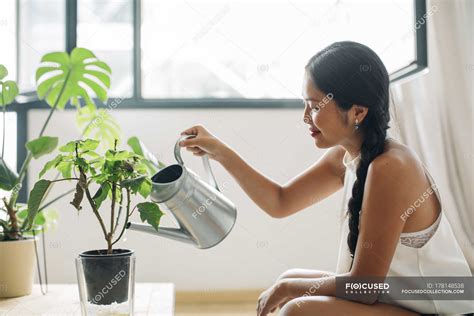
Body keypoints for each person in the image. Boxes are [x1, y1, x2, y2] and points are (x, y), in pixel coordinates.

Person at [178, 41, 472, 316]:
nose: (305, 117)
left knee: (297, 308)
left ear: (358, 111)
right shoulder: (347, 156)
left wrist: (288, 290)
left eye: (315, 106)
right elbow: (280, 202)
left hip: (442, 309)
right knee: (289, 278)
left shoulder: (390, 167)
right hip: (397, 297)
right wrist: (219, 151)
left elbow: (365, 287)